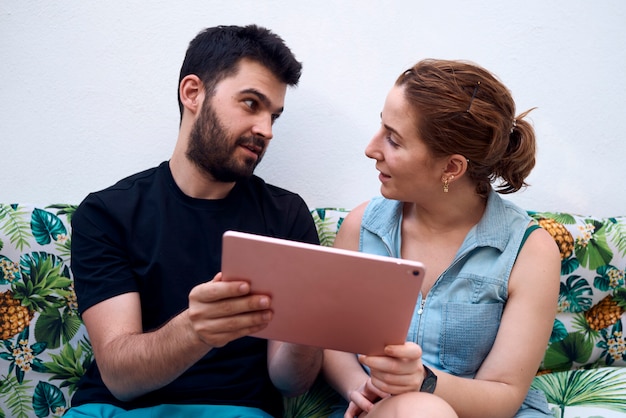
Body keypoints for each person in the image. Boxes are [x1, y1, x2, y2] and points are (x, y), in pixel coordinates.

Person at [67, 24, 322, 418]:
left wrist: (307, 324)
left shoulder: (285, 216)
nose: (266, 131)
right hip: (111, 409)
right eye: (251, 104)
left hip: (236, 411)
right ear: (193, 93)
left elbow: (291, 381)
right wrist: (195, 330)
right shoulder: (106, 214)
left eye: (274, 115)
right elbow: (119, 375)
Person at [323, 59, 561, 418]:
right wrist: (359, 388)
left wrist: (423, 382)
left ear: (452, 167)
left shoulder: (530, 250)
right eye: (381, 127)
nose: (371, 149)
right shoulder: (362, 228)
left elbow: (504, 394)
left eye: (393, 139)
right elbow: (333, 341)